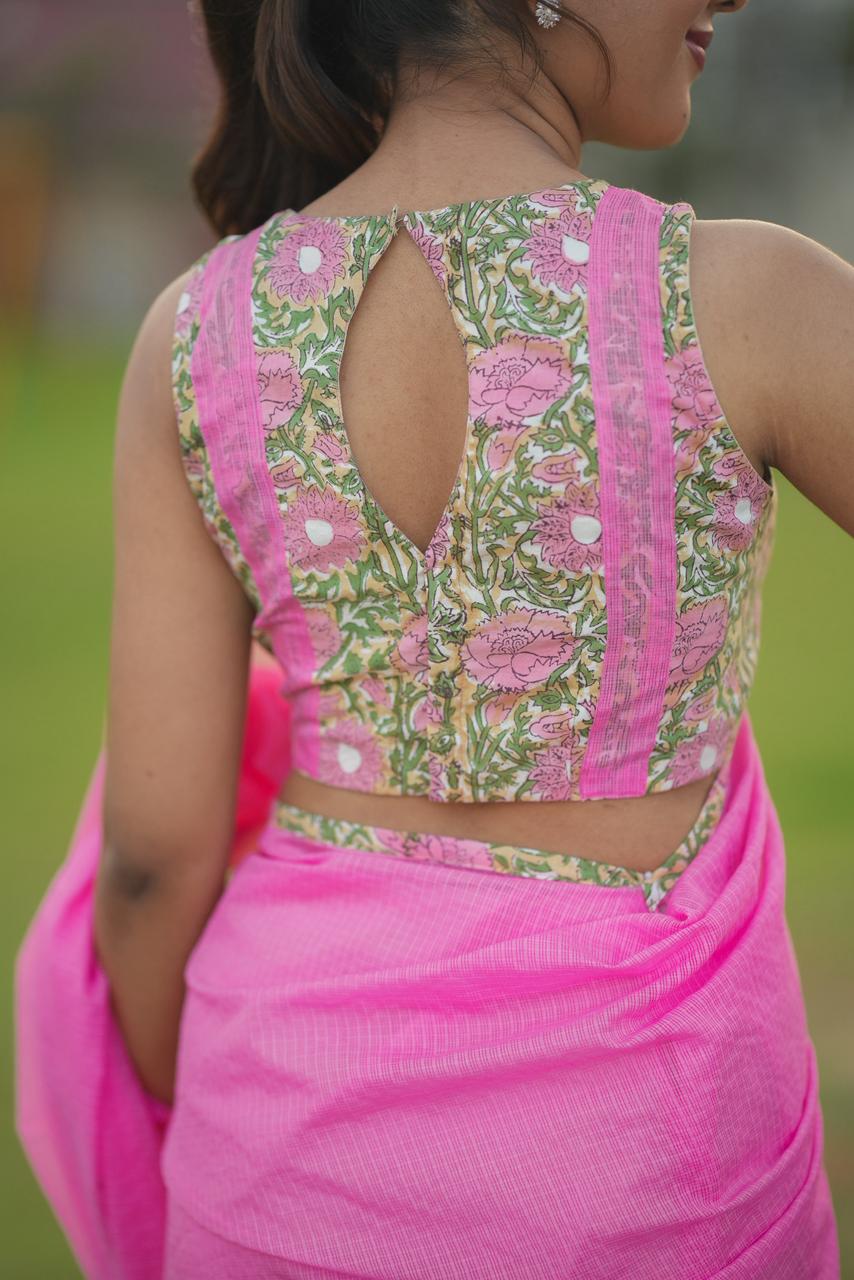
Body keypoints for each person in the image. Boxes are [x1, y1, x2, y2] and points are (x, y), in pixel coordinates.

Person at [14, 1, 851, 1276]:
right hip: (643, 1168)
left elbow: (149, 865)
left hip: (272, 1150)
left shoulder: (195, 337)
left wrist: (234, 1122)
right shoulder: (749, 300)